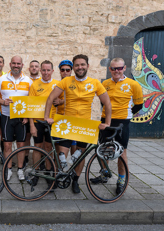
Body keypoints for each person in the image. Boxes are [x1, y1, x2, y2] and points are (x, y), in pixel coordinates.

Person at [44, 54, 112, 194]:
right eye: (77, 65)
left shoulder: (94, 83)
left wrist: (107, 123)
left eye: (82, 64)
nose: (80, 67)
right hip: (67, 123)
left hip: (84, 125)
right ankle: (56, 179)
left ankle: (75, 180)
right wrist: (46, 116)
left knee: (80, 155)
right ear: (73, 67)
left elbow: (107, 102)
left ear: (87, 66)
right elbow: (51, 97)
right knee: (61, 154)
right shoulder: (67, 81)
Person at [91, 58, 143, 194]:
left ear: (124, 68)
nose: (116, 71)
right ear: (110, 69)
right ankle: (104, 174)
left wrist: (126, 114)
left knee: (121, 152)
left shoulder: (133, 84)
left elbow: (139, 105)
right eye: (113, 68)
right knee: (103, 149)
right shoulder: (105, 83)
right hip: (105, 119)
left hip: (122, 121)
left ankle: (121, 179)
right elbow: (103, 102)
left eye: (119, 68)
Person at [0, 55, 33, 181]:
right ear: (10, 64)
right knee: (7, 145)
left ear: (22, 65)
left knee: (21, 145)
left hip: (22, 119)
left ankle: (20, 169)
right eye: (14, 63)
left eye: (18, 63)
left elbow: (32, 101)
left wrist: (27, 115)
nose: (16, 65)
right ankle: (8, 169)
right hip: (6, 117)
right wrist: (3, 102)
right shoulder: (2, 79)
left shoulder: (28, 80)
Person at [29, 60, 59, 186]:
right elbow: (29, 106)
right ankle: (35, 172)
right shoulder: (35, 85)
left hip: (52, 122)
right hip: (38, 121)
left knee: (49, 148)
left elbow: (65, 100)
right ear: (40, 71)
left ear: (52, 71)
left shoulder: (58, 84)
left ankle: (48, 172)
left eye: (48, 70)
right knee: (37, 147)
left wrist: (60, 102)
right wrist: (31, 125)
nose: (46, 72)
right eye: (44, 70)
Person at [55, 60, 77, 154]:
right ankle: (56, 167)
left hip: (72, 118)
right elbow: (53, 100)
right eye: (63, 70)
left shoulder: (76, 84)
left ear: (71, 71)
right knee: (58, 147)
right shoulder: (56, 84)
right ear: (60, 71)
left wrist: (62, 101)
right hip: (59, 119)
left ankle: (74, 168)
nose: (65, 72)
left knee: (74, 146)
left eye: (67, 70)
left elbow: (77, 99)